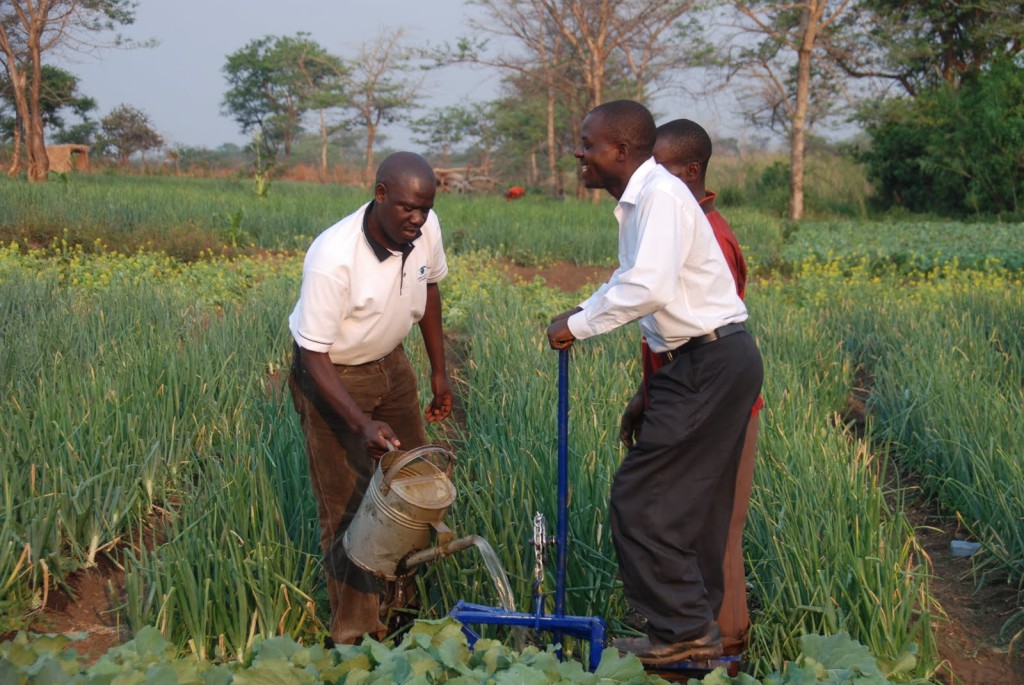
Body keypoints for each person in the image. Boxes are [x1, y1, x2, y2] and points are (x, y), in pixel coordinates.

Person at [546, 101, 763, 665]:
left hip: (707, 363)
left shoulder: (661, 195)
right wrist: (585, 310)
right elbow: (632, 279)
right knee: (689, 508)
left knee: (643, 501)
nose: (580, 153)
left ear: (621, 151)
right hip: (702, 361)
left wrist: (575, 324)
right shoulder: (644, 202)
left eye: (589, 143)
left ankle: (684, 631)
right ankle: (690, 637)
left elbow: (648, 287)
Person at [287, 151, 454, 646]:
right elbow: (312, 355)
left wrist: (439, 372)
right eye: (407, 208)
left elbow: (431, 289)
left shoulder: (425, 228)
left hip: (392, 366)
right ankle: (356, 637)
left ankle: (404, 610)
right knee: (348, 506)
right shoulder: (332, 257)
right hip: (335, 377)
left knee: (415, 487)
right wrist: (360, 424)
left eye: (425, 208)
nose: (417, 219)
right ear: (380, 194)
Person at [620, 118, 765, 655]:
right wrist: (647, 396)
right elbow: (666, 331)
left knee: (716, 530)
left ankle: (719, 651)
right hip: (687, 392)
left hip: (717, 400)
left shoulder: (712, 235)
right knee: (692, 521)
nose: (649, 181)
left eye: (658, 169)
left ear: (691, 171)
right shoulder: (675, 222)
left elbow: (703, 331)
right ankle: (696, 646)